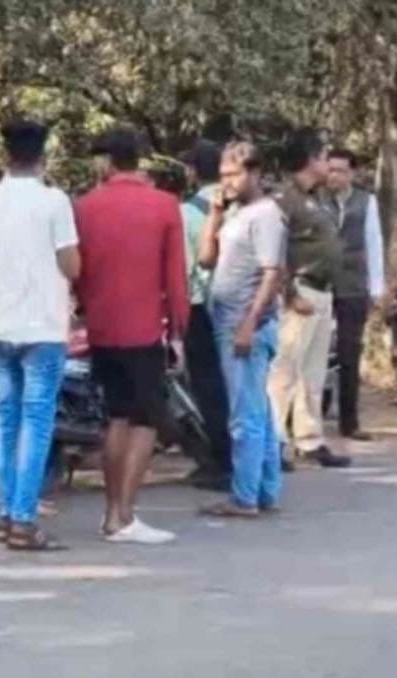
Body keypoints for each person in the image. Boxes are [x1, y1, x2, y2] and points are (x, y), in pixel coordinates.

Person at [0, 120, 79, 551]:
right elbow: (72, 265)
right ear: (43, 157)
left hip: (0, 324)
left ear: (4, 156)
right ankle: (24, 520)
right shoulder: (55, 201)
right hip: (44, 325)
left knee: (5, 418)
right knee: (36, 420)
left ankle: (6, 512)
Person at [74, 127, 188, 545]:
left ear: (107, 161)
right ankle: (124, 514)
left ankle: (111, 513)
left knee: (116, 417)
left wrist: (85, 309)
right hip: (144, 326)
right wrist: (178, 330)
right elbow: (175, 277)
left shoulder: (85, 207)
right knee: (146, 419)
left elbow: (78, 271)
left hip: (102, 325)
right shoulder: (164, 205)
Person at [198, 142, 287, 517]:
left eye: (234, 175)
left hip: (245, 322)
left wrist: (249, 323)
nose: (227, 182)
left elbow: (272, 273)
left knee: (244, 415)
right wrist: (215, 215)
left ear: (255, 173)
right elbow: (206, 259)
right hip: (227, 318)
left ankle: (244, 496)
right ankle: (264, 489)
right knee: (256, 411)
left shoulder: (266, 215)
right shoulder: (236, 212)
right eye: (223, 176)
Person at [266, 129, 349, 469]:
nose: (328, 163)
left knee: (313, 373)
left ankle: (309, 438)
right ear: (310, 159)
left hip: (323, 290)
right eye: (323, 156)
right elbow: (275, 249)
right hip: (299, 291)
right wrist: (290, 293)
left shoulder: (321, 197)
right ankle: (274, 441)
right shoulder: (284, 199)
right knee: (284, 371)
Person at [321, 148, 387, 442]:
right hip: (320, 283)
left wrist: (376, 287)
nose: (334, 176)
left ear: (352, 173)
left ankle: (350, 422)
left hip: (353, 286)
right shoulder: (316, 198)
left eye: (341, 170)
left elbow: (373, 242)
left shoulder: (365, 201)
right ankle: (310, 418)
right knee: (314, 353)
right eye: (331, 169)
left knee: (349, 353)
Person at [179, 140, 235, 490]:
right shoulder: (240, 206)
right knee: (238, 383)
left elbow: (186, 268)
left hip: (200, 305)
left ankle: (221, 460)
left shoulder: (186, 212)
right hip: (238, 303)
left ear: (192, 171)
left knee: (208, 385)